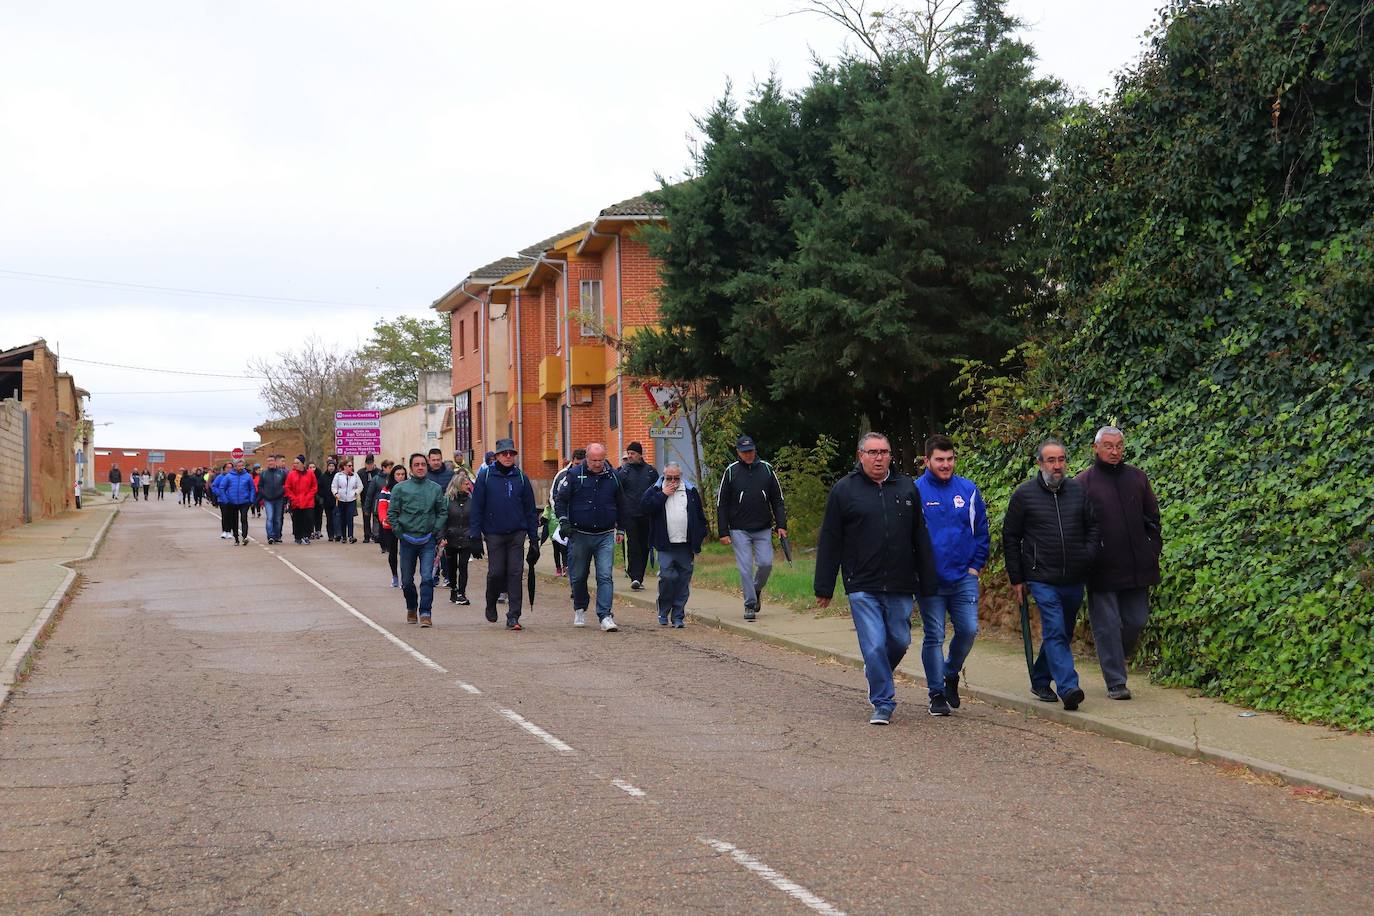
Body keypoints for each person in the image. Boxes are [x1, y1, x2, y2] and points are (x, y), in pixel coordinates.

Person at [815, 433, 939, 725]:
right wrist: (824, 585)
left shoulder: (907, 487)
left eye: (884, 452)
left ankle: (875, 670)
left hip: (900, 580)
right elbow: (830, 539)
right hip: (862, 583)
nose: (879, 457)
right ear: (860, 456)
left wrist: (928, 579)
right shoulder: (844, 491)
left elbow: (920, 537)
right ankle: (883, 701)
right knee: (873, 645)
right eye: (872, 452)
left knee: (899, 639)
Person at [1003, 438, 1100, 712]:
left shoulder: (1078, 491)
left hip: (1073, 577)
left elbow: (1093, 526)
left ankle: (1040, 678)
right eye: (1051, 460)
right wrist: (1017, 578)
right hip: (1041, 576)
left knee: (1062, 632)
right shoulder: (1024, 495)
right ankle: (1068, 687)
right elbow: (1011, 537)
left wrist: (1087, 554)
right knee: (1055, 630)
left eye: (1061, 460)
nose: (1057, 466)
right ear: (1040, 463)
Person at [1076, 426, 1162, 701]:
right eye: (1109, 446)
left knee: (1136, 619)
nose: (1115, 451)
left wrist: (1151, 548)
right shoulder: (1083, 483)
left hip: (1138, 566)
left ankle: (1115, 655)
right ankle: (1116, 682)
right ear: (1096, 448)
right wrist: (1089, 555)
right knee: (1107, 626)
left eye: (1119, 446)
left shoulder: (1137, 477)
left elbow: (1152, 518)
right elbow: (1077, 526)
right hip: (1101, 569)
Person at [914, 434, 990, 717]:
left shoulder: (968, 490)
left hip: (963, 577)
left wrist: (975, 565)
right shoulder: (915, 491)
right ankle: (936, 693)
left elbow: (981, 530)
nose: (946, 465)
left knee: (968, 630)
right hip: (930, 580)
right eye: (939, 460)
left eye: (950, 459)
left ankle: (950, 673)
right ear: (927, 461)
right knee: (933, 635)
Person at [554, 442, 627, 632]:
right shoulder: (573, 475)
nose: (597, 464)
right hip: (579, 534)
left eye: (601, 460)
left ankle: (605, 615)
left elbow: (622, 504)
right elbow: (560, 501)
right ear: (587, 458)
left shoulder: (613, 476)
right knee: (578, 576)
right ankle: (579, 606)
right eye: (594, 460)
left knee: (604, 575)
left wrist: (621, 529)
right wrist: (563, 521)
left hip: (604, 535)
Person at [469, 438, 539, 630]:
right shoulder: (486, 476)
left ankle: (513, 616)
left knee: (515, 573)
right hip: (494, 533)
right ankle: (491, 601)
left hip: (517, 532)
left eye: (511, 454)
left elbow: (530, 510)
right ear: (497, 456)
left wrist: (534, 539)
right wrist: (474, 535)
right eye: (504, 453)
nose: (508, 457)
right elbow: (476, 507)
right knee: (496, 572)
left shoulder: (522, 478)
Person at [716, 435, 788, 620]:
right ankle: (749, 604)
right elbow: (721, 503)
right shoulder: (731, 472)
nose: (748, 455)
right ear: (738, 452)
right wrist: (723, 531)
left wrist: (781, 525)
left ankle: (756, 590)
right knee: (745, 568)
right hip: (739, 529)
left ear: (755, 450)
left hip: (763, 527)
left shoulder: (767, 469)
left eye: (751, 451)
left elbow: (777, 500)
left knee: (766, 564)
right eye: (744, 452)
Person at [640, 461, 709, 627]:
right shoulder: (656, 490)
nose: (673, 482)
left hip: (686, 545)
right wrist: (663, 494)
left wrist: (699, 537)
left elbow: (700, 516)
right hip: (665, 544)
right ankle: (663, 609)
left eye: (676, 478)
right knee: (668, 577)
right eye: (669, 478)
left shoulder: (690, 491)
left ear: (680, 477)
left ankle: (678, 615)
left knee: (683, 581)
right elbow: (645, 508)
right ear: (664, 476)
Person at [389, 453, 449, 627]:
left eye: (423, 464)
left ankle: (425, 612)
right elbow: (392, 513)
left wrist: (435, 530)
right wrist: (399, 532)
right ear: (411, 468)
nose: (421, 467)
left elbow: (442, 511)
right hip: (407, 540)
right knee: (407, 581)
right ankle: (411, 607)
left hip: (427, 541)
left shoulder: (435, 488)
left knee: (427, 578)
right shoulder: (400, 489)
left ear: (427, 466)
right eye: (417, 465)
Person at [615, 441, 659, 590]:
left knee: (645, 545)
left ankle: (639, 576)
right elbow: (618, 494)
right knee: (633, 545)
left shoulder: (651, 472)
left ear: (640, 454)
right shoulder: (623, 472)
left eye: (632, 453)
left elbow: (658, 491)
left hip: (647, 515)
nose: (630, 456)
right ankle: (635, 576)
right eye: (628, 453)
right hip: (630, 515)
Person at [443, 471, 479, 605]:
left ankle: (461, 592)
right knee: (451, 566)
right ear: (458, 485)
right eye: (465, 483)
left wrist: (475, 535)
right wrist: (442, 535)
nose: (468, 485)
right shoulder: (447, 501)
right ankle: (453, 588)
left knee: (463, 566)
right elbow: (443, 519)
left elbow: (475, 518)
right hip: (451, 538)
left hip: (466, 537)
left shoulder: (471, 500)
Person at [376, 463, 406, 586]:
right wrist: (384, 519)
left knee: (405, 553)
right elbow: (382, 507)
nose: (400, 477)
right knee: (392, 552)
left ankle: (405, 577)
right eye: (398, 474)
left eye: (403, 474)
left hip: (406, 526)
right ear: (393, 475)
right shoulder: (386, 490)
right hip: (390, 526)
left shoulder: (409, 488)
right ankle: (394, 576)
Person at [219, 458, 256, 545]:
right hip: (232, 502)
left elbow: (252, 489)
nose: (241, 467)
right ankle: (236, 538)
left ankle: (244, 536)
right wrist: (225, 500)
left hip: (244, 501)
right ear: (235, 467)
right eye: (239, 466)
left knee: (244, 518)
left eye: (242, 465)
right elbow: (222, 488)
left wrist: (251, 499)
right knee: (234, 520)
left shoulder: (248, 476)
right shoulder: (229, 476)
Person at [284, 455, 318, 545]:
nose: (295, 465)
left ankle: (306, 535)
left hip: (308, 501)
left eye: (297, 463)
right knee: (297, 519)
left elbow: (314, 486)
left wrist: (309, 496)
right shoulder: (291, 474)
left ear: (303, 464)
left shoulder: (310, 473)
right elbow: (287, 487)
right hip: (296, 501)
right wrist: (293, 498)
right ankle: (298, 536)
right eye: (294, 463)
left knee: (309, 518)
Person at [258, 454, 288, 544]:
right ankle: (270, 536)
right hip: (268, 499)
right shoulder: (263, 473)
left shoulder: (282, 473)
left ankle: (277, 536)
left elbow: (286, 485)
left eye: (271, 460)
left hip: (279, 499)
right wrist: (264, 495)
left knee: (278, 519)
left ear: (275, 462)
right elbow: (260, 486)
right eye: (268, 461)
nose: (270, 462)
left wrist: (282, 493)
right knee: (270, 518)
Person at [364, 459, 393, 553]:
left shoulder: (393, 478)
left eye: (392, 467)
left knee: (390, 527)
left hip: (391, 505)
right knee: (382, 527)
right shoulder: (376, 479)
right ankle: (383, 545)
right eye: (389, 467)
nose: (391, 469)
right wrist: (367, 508)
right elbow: (369, 494)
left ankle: (389, 546)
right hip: (378, 505)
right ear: (384, 468)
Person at [331, 459, 362, 543]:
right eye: (349, 466)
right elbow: (333, 486)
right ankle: (343, 536)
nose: (351, 467)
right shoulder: (338, 475)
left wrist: (356, 492)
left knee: (350, 517)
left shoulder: (355, 475)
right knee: (342, 518)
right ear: (344, 467)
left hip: (351, 500)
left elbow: (360, 486)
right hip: (341, 499)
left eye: (351, 466)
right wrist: (336, 493)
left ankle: (351, 536)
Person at [358, 455, 379, 543]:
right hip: (365, 499)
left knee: (376, 518)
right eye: (368, 464)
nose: (369, 466)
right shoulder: (361, 472)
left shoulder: (378, 472)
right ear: (365, 464)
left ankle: (376, 535)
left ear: (373, 463)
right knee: (366, 518)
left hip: (376, 499)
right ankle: (367, 535)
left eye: (371, 463)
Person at [315, 458, 337, 541]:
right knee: (329, 519)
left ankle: (337, 534)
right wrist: (322, 497)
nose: (331, 467)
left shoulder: (337, 476)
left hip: (337, 501)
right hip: (327, 502)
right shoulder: (323, 477)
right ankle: (330, 535)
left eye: (333, 466)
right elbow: (319, 488)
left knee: (337, 519)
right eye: (330, 466)